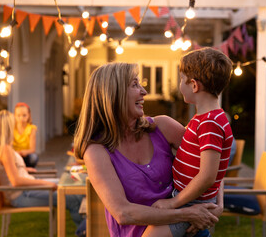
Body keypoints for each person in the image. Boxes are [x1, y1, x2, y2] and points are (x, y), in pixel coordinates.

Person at [73, 62, 224, 237]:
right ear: (113, 94)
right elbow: (123, 212)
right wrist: (187, 214)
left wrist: (218, 203)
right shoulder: (96, 151)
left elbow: (210, 161)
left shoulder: (163, 126)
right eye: (135, 85)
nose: (144, 92)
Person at [147, 47, 234, 237]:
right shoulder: (203, 119)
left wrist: (173, 204)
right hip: (189, 199)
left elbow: (208, 176)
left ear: (194, 85)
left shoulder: (210, 123)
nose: (180, 84)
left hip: (191, 203)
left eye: (181, 79)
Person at [0, 110, 84, 230]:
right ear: (7, 128)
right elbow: (15, 181)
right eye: (13, 124)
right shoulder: (5, 149)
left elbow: (7, 170)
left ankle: (88, 226)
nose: (16, 126)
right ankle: (84, 231)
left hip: (27, 189)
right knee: (72, 198)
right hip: (23, 195)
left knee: (72, 187)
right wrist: (45, 183)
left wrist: (23, 168)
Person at [12, 102, 39, 168]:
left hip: (26, 155)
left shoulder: (31, 128)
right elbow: (9, 146)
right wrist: (16, 153)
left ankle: (27, 169)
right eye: (18, 115)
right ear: (14, 115)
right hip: (14, 154)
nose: (21, 118)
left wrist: (23, 152)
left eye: (24, 115)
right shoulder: (12, 128)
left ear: (29, 115)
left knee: (33, 157)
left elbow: (32, 149)